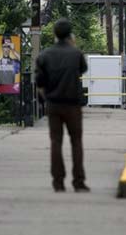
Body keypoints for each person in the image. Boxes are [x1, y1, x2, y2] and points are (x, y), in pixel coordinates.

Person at [35, 18, 90, 193]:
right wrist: (73, 46)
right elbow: (82, 69)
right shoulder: (76, 54)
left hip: (54, 105)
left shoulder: (44, 55)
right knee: (76, 142)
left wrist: (46, 99)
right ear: (70, 35)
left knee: (56, 142)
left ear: (54, 34)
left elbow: (40, 81)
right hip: (73, 105)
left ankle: (58, 182)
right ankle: (78, 182)